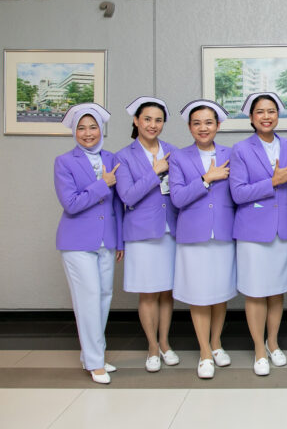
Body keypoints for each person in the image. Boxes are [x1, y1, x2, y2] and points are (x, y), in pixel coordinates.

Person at [229, 92, 287, 376]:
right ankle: (259, 349)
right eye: (260, 112)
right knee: (256, 291)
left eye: (271, 111)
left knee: (277, 290)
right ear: (251, 117)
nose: (266, 116)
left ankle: (273, 342)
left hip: (285, 229)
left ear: (278, 115)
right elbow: (237, 193)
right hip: (253, 230)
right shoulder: (240, 149)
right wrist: (272, 182)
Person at [53, 103, 124, 384]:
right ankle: (95, 363)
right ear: (74, 132)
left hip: (107, 240)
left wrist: (120, 240)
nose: (87, 133)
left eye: (93, 127)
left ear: (101, 129)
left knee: (104, 296)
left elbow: (117, 204)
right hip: (77, 242)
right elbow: (71, 204)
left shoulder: (111, 157)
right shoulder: (64, 162)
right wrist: (102, 183)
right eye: (81, 128)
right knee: (88, 299)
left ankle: (92, 355)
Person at [168, 100, 236, 379]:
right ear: (189, 127)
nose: (203, 128)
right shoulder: (178, 157)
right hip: (193, 234)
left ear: (218, 125)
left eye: (208, 122)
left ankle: (216, 343)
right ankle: (205, 352)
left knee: (220, 293)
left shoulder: (231, 154)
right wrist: (206, 178)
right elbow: (177, 197)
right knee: (198, 294)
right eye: (197, 123)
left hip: (224, 232)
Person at [115, 96, 179, 373]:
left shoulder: (173, 151)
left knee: (166, 291)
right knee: (148, 292)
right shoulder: (123, 156)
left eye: (158, 120)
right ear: (136, 121)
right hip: (142, 232)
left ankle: (165, 343)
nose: (153, 125)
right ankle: (152, 346)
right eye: (147, 119)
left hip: (171, 230)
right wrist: (155, 172)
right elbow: (128, 196)